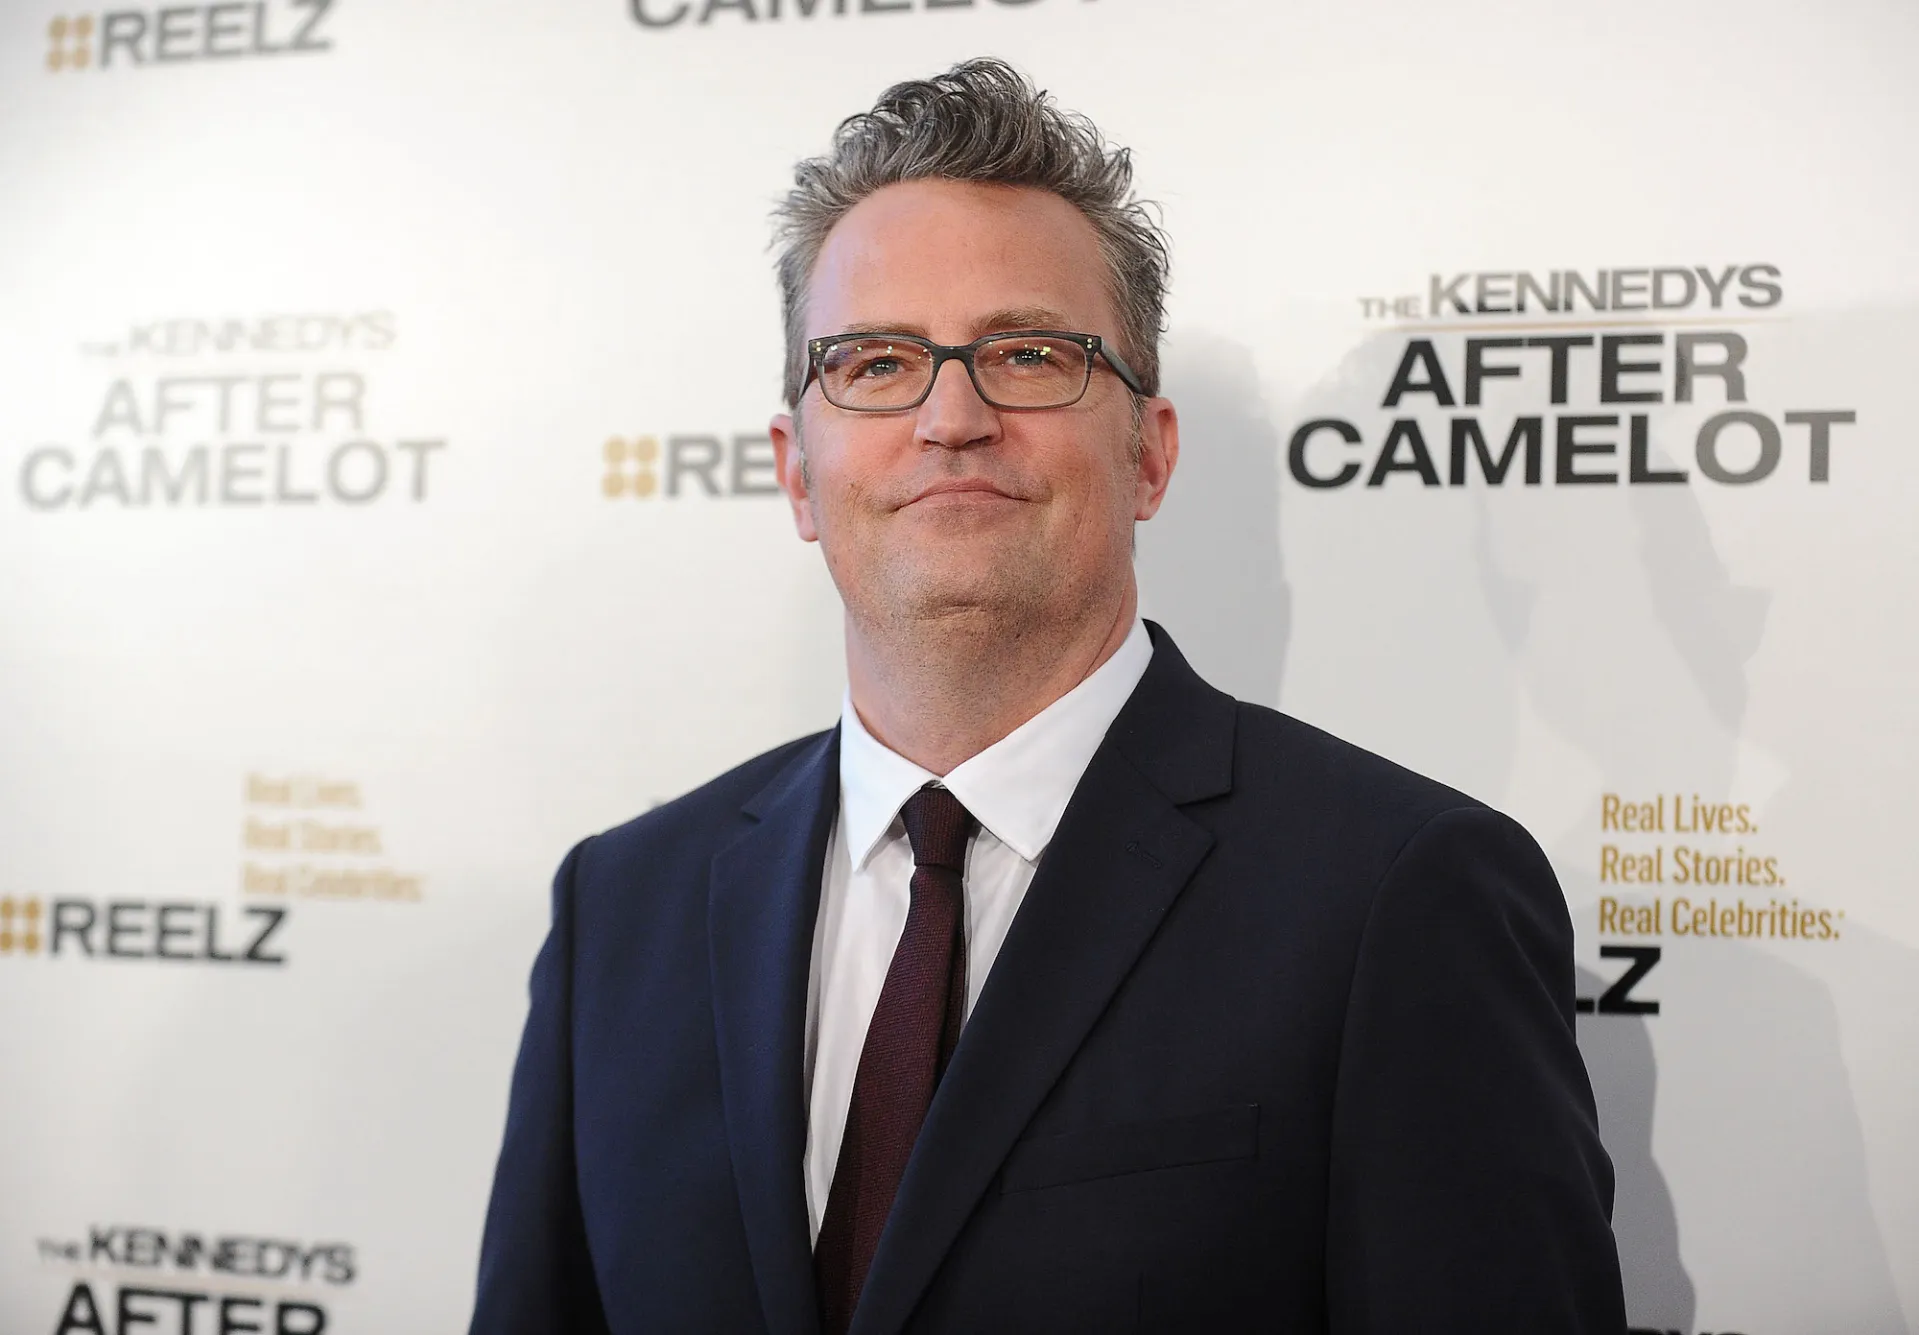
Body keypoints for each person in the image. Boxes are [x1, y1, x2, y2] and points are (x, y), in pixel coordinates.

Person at [470, 59, 1626, 1335]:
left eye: (1028, 354)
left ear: (1149, 455)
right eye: (875, 362)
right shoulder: (623, 909)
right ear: (796, 472)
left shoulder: (1394, 895)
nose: (950, 416)